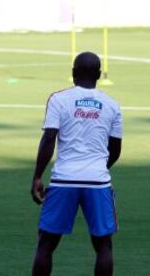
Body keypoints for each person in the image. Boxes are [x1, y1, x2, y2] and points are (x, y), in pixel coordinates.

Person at [31, 52, 122, 275]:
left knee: (46, 244)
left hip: (64, 180)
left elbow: (49, 138)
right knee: (103, 246)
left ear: (73, 73)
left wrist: (37, 177)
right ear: (99, 75)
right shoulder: (112, 105)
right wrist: (98, 167)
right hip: (98, 183)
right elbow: (116, 150)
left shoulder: (58, 99)